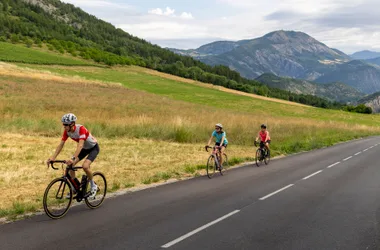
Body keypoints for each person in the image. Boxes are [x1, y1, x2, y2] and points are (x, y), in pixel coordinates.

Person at [47, 113, 99, 198]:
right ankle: (76, 187)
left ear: (72, 124)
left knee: (85, 166)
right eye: (63, 124)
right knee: (70, 166)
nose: (64, 126)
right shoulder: (67, 132)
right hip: (84, 149)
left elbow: (80, 145)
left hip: (93, 148)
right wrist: (53, 157)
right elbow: (61, 144)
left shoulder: (81, 129)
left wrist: (73, 158)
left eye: (66, 125)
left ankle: (94, 186)